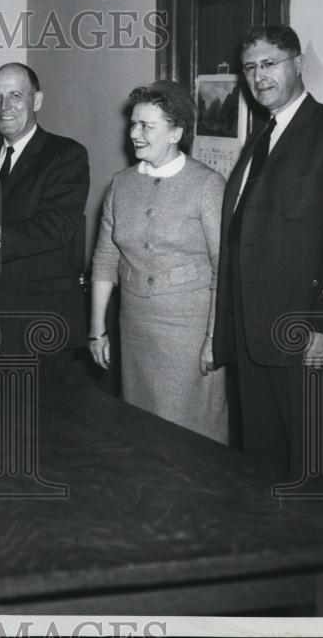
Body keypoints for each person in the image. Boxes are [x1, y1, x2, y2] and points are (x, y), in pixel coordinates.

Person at [213, 24, 323, 494]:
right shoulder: (262, 138)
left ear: (298, 64)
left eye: (269, 64)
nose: (258, 77)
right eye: (249, 68)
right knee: (264, 472)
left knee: (316, 474)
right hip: (255, 337)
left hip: (309, 336)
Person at [89, 80, 227, 444]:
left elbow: (224, 268)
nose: (134, 133)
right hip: (135, 330)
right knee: (141, 434)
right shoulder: (121, 184)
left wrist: (214, 337)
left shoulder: (207, 185)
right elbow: (105, 258)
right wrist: (97, 328)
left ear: (176, 132)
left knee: (189, 436)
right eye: (133, 124)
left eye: (146, 126)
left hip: (190, 333)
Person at [0, 63, 90, 386]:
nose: (5, 106)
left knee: (42, 431)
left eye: (15, 95)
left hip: (41, 324)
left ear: (36, 101)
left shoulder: (65, 155)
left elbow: (57, 226)